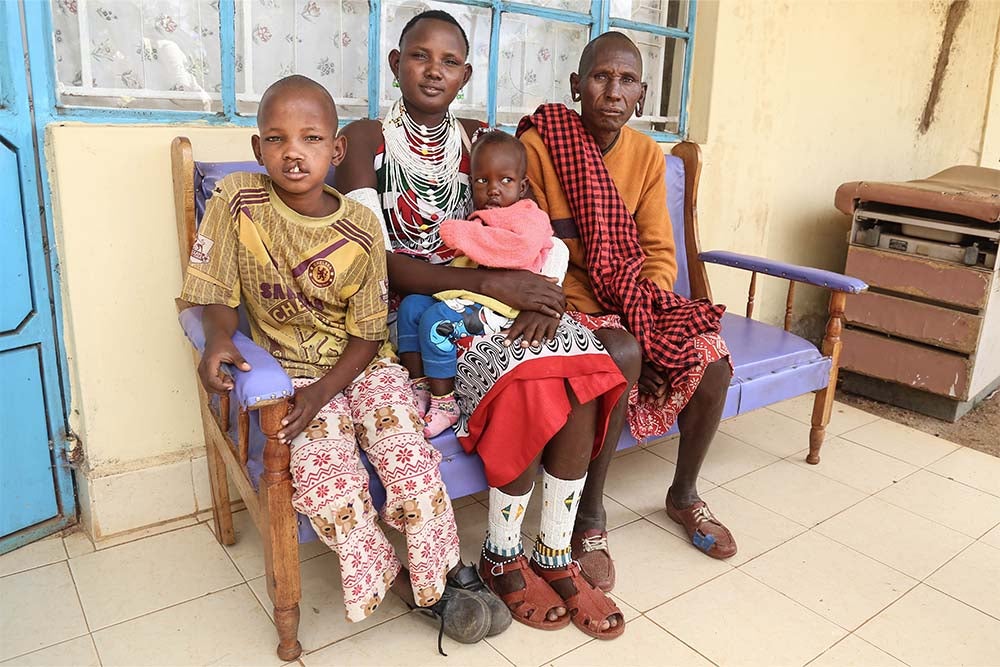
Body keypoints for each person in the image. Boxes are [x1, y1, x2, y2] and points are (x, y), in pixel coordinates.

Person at [180, 74, 507, 648]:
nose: (293, 153)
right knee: (328, 481)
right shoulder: (237, 202)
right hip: (290, 371)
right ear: (259, 150)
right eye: (276, 140)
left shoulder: (360, 228)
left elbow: (364, 336)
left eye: (309, 139)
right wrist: (219, 340)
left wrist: (324, 392)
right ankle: (393, 574)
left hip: (362, 366)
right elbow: (215, 292)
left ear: (336, 151)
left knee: (410, 460)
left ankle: (439, 581)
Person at [337, 11, 627, 638]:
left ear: (465, 75)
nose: (433, 70)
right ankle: (500, 553)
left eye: (448, 61)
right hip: (417, 326)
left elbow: (529, 229)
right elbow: (373, 262)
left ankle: (553, 552)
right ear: (395, 64)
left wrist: (535, 298)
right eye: (419, 56)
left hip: (496, 304)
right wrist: (486, 284)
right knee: (525, 378)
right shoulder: (364, 140)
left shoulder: (478, 143)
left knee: (584, 365)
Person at [518, 32, 739, 591]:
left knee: (713, 359)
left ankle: (683, 493)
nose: (612, 91)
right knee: (622, 349)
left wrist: (646, 303)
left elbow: (659, 251)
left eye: (626, 81)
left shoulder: (645, 155)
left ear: (641, 94)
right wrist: (606, 311)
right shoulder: (541, 145)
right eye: (600, 77)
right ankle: (589, 516)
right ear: (576, 86)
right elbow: (532, 245)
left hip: (634, 295)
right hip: (566, 301)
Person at [396, 131, 569, 438]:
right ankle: (420, 385)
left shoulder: (529, 216)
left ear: (523, 186)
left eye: (505, 180)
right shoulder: (482, 217)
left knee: (438, 322)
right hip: (475, 293)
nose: (493, 190)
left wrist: (462, 233)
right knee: (411, 306)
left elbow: (519, 251)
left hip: (508, 306)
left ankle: (445, 404)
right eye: (481, 181)